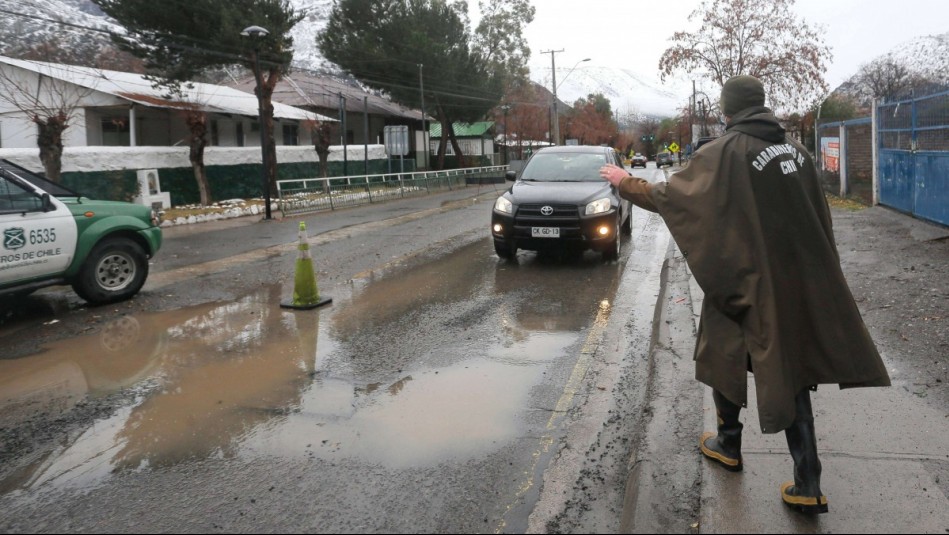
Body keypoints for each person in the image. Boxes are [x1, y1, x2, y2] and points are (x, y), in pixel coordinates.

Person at [599, 75, 891, 515]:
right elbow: (818, 212)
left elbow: (672, 196)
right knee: (790, 368)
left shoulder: (725, 152)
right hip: (796, 281)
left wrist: (624, 181)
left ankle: (728, 445)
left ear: (727, 109)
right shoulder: (796, 150)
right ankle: (807, 482)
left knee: (721, 353)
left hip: (745, 278)